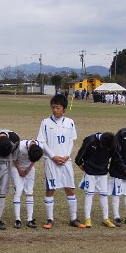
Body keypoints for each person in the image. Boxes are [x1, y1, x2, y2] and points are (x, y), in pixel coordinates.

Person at [36, 94, 79, 229]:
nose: (55, 110)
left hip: (66, 162)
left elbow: (71, 141)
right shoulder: (45, 123)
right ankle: (50, 220)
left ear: (64, 109)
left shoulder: (70, 122)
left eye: (58, 108)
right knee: (50, 189)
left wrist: (66, 156)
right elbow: (42, 142)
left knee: (70, 189)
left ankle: (74, 219)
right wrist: (53, 156)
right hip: (51, 162)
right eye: (53, 107)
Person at [75, 132, 115, 228]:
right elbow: (80, 155)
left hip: (103, 172)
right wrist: (80, 164)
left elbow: (111, 154)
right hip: (90, 173)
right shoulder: (90, 140)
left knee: (104, 195)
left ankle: (105, 219)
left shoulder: (112, 143)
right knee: (89, 194)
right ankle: (87, 219)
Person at [10, 139, 43, 228]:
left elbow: (34, 160)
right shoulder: (19, 146)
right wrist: (20, 170)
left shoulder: (40, 147)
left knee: (29, 192)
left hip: (29, 168)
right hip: (16, 167)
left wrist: (28, 170)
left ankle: (29, 219)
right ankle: (17, 220)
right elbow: (14, 159)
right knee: (18, 191)